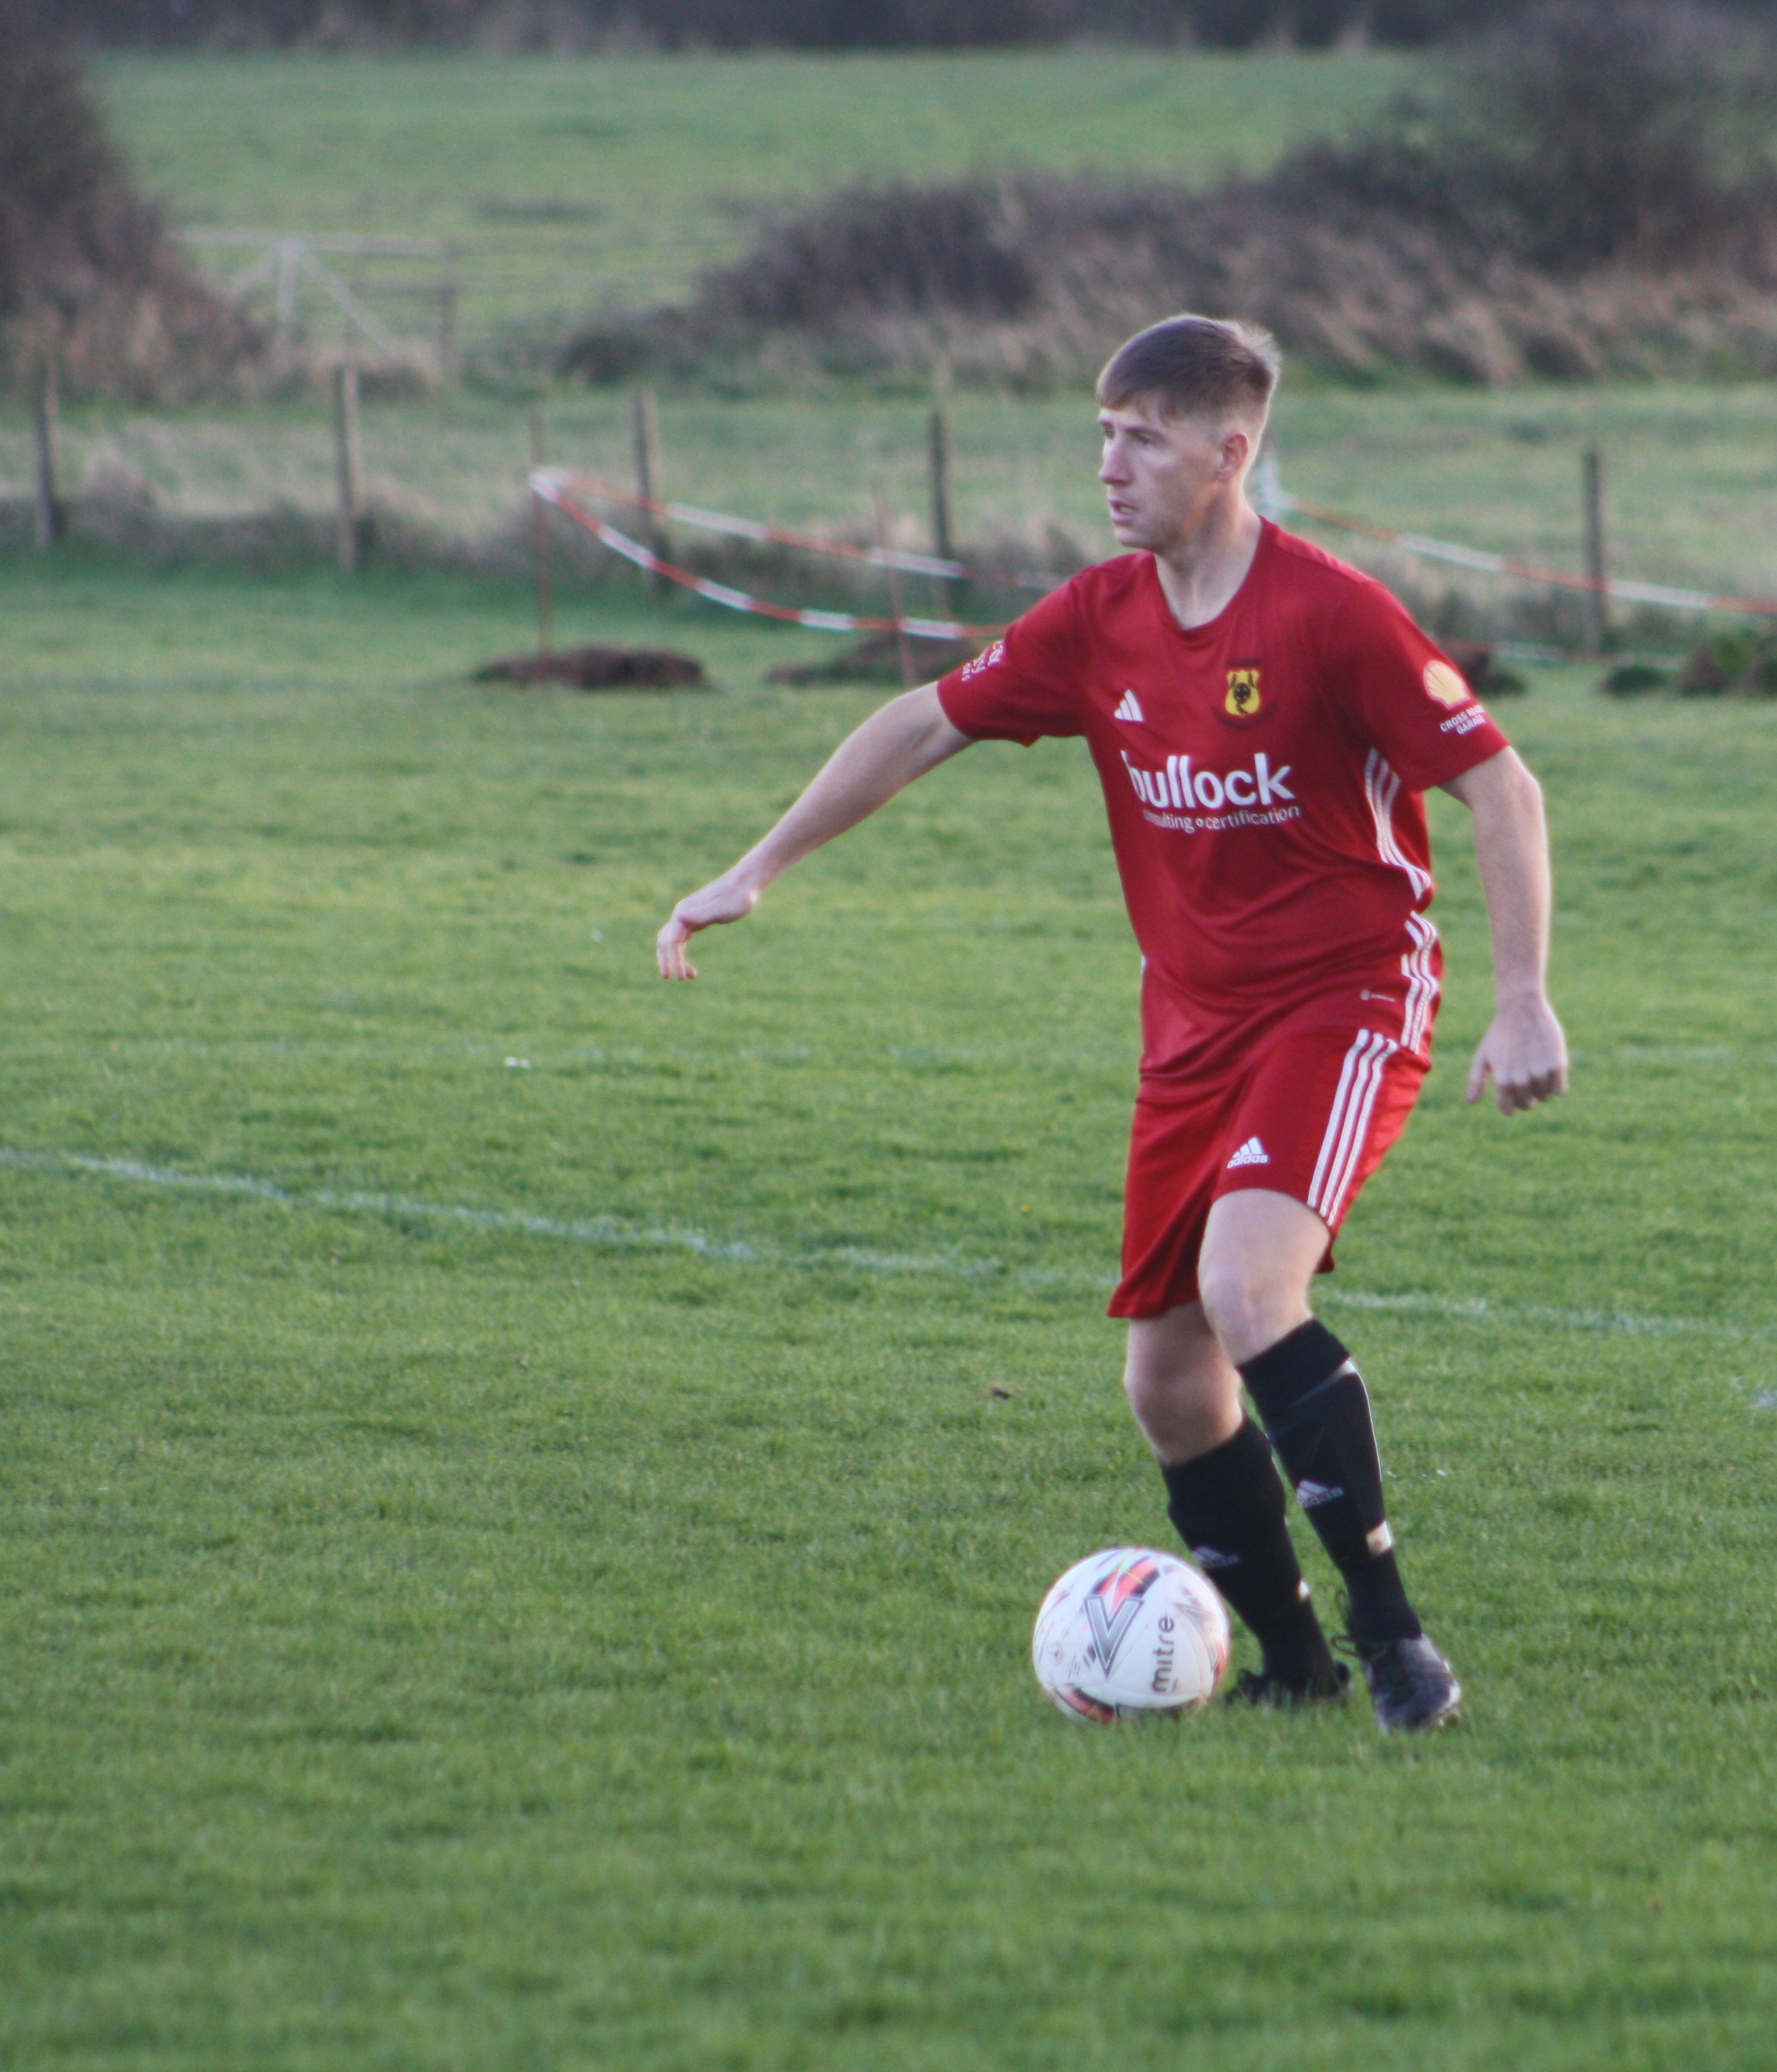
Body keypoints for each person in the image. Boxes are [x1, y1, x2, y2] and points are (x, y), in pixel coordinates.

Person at [655, 315, 1568, 1732]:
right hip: (1190, 1027)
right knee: (1169, 1386)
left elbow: (1502, 786)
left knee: (1250, 1290)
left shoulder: (1332, 615)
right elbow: (924, 721)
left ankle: (1397, 1646)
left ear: (1230, 452)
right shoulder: (1099, 620)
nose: (1111, 464)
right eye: (1103, 434)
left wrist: (1522, 1000)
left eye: (1143, 437)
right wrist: (756, 867)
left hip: (1344, 997)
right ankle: (1296, 1669)